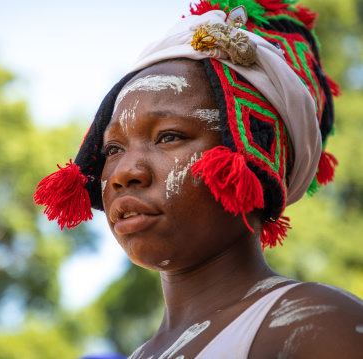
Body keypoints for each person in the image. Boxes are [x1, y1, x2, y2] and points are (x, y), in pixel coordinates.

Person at [35, 0, 363, 357]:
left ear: (253, 154)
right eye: (113, 148)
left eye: (169, 136)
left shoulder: (317, 325)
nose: (124, 173)